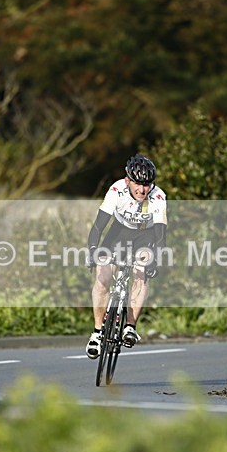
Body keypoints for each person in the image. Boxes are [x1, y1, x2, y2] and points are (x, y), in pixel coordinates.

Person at [85, 154, 167, 359]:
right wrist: (93, 250)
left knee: (141, 272)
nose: (142, 190)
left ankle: (130, 326)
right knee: (103, 277)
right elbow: (98, 227)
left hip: (145, 237)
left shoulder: (158, 197)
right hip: (118, 234)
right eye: (138, 184)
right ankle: (96, 333)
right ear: (128, 181)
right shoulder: (116, 191)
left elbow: (160, 235)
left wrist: (155, 258)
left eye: (147, 184)